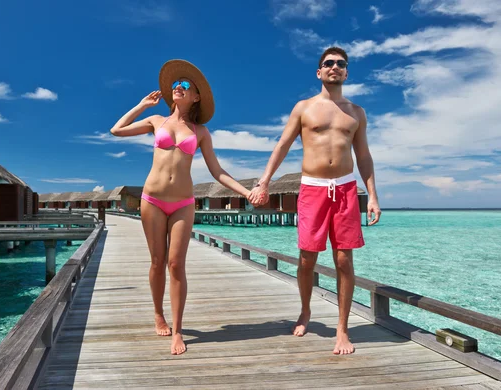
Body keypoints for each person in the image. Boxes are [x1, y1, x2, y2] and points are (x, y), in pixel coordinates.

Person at [110, 59, 252, 355]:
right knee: (157, 261)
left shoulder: (201, 132)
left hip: (183, 203)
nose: (178, 87)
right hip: (152, 199)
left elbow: (218, 172)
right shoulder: (156, 122)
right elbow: (116, 130)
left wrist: (247, 192)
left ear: (196, 96)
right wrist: (142, 105)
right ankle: (158, 314)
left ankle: (177, 329)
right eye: (176, 84)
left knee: (176, 264)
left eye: (185, 85)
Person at [249, 47, 381, 355]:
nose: (335, 67)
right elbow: (282, 145)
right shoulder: (304, 108)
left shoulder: (356, 112)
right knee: (307, 258)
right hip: (313, 188)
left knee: (344, 260)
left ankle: (342, 328)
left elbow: (363, 156)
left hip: (346, 189)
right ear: (319, 72)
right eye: (329, 63)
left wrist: (372, 195)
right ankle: (306, 310)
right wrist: (264, 181)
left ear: (346, 72)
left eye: (341, 64)